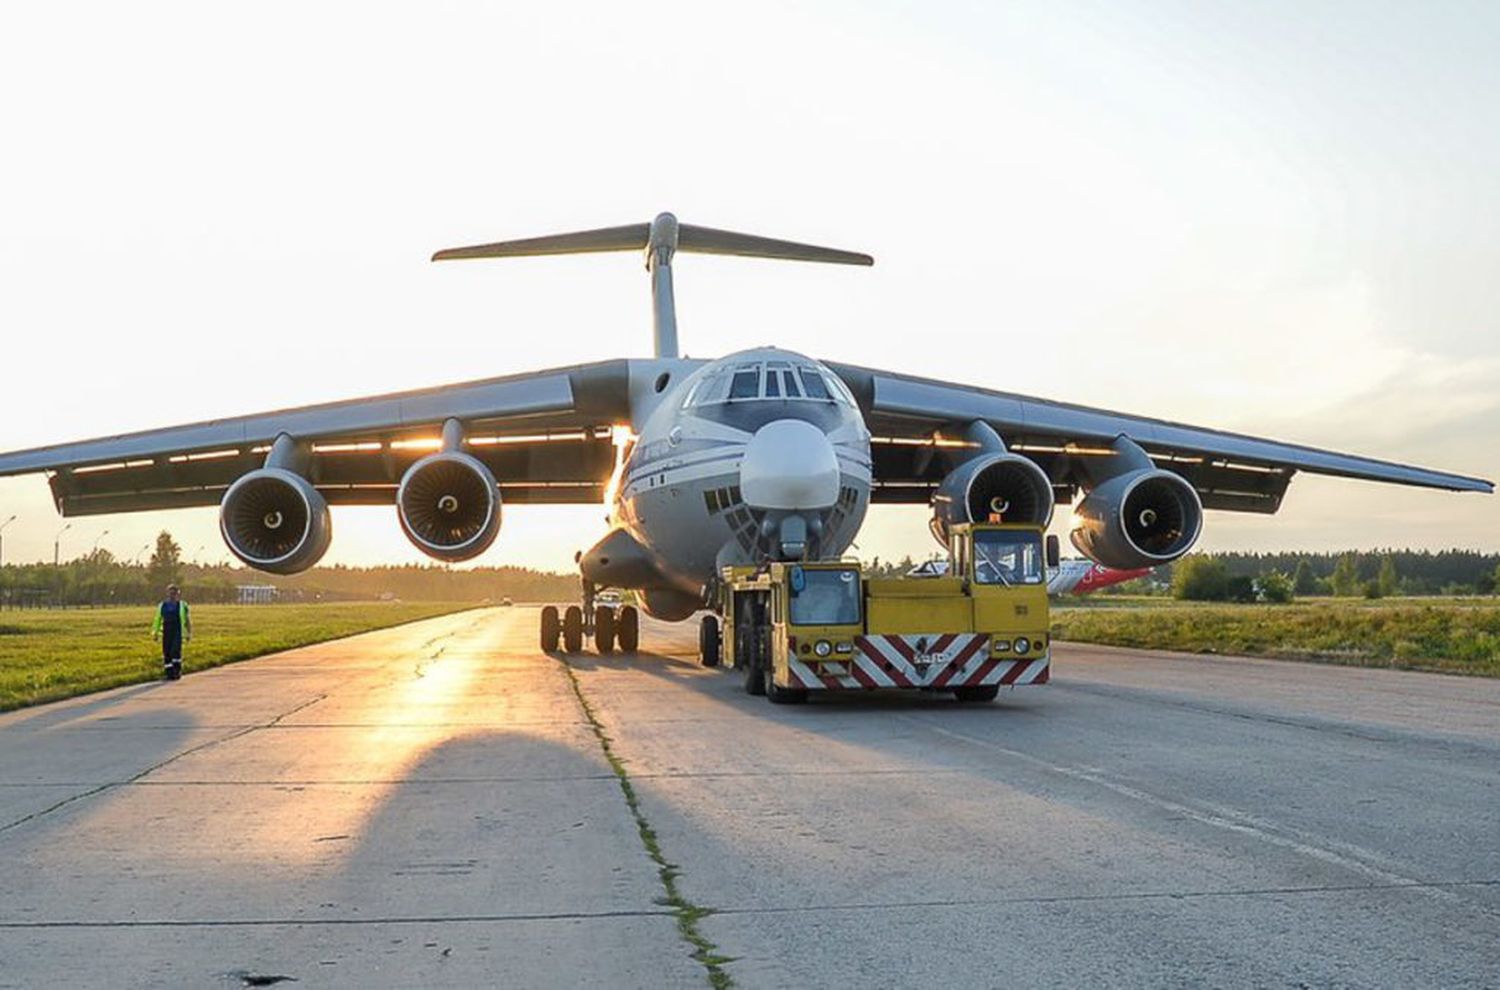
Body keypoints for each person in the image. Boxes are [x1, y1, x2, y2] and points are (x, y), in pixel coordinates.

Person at [151, 584, 192, 680]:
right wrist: (155, 633)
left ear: (178, 594)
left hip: (177, 630)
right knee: (167, 652)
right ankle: (169, 673)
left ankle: (176, 672)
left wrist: (188, 633)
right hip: (166, 630)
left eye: (174, 593)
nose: (172, 595)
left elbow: (187, 620)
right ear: (167, 593)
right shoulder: (162, 605)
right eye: (170, 592)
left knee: (175, 651)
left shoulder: (182, 605)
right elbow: (157, 619)